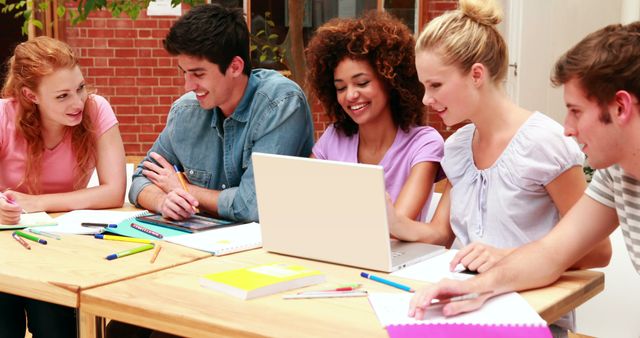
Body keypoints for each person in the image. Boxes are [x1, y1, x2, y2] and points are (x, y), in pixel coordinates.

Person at [385, 0, 611, 335]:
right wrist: (387, 218)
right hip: (465, 306)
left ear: (477, 74)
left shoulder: (544, 143)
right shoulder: (458, 147)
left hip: (531, 312)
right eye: (423, 86)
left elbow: (597, 251)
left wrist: (507, 256)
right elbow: (440, 234)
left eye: (435, 85)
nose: (425, 99)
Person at [128, 3, 314, 223]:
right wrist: (163, 201)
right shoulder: (186, 111)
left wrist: (184, 189)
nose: (188, 85)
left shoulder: (280, 103)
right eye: (185, 73)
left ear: (235, 67)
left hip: (273, 250)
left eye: (198, 74)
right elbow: (141, 179)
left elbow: (253, 206)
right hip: (202, 245)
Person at [0, 37, 126, 337]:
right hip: (6, 246)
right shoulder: (4, 115)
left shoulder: (96, 110)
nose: (77, 103)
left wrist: (37, 202)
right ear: (31, 95)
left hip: (56, 246)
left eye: (80, 88)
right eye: (62, 96)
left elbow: (114, 192)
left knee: (56, 329)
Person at [305, 11, 444, 221]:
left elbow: (397, 226)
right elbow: (303, 206)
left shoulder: (424, 143)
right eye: (340, 88)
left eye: (362, 83)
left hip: (397, 254)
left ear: (390, 81)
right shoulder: (333, 139)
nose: (350, 95)